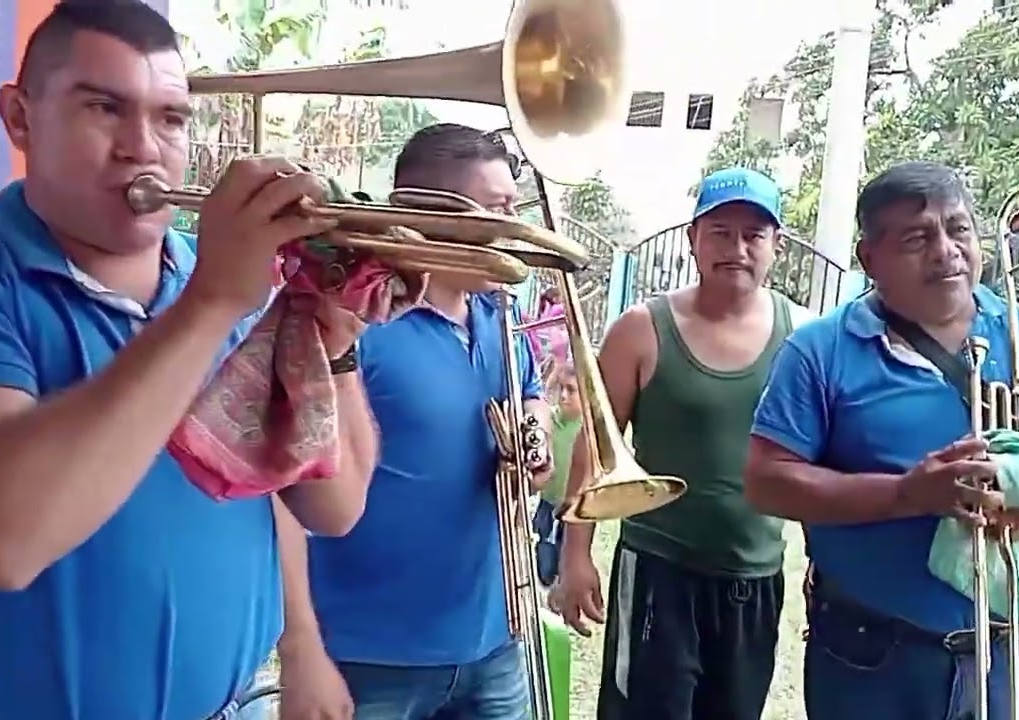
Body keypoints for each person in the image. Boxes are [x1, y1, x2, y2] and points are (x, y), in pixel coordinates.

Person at [0, 4, 378, 719]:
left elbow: (325, 505)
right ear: (20, 118)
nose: (142, 148)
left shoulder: (228, 288)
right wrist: (210, 303)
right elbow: (2, 536)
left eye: (171, 119)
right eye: (104, 108)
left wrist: (333, 342)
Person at [744, 161, 1019, 720]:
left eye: (958, 229)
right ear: (870, 259)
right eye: (917, 237)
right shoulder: (818, 350)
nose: (946, 251)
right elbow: (766, 482)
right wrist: (907, 494)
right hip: (870, 653)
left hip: (1004, 651)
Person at [276, 123, 552, 720]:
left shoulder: (499, 316)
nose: (515, 228)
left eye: (514, 207)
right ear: (430, 213)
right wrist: (302, 646)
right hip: (370, 656)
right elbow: (284, 495)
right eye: (496, 210)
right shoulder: (356, 323)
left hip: (496, 641)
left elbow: (530, 393)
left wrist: (535, 431)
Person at [549, 167, 813, 720]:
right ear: (692, 238)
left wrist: (824, 560)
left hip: (755, 581)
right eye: (719, 232)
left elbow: (814, 459)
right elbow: (593, 449)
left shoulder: (804, 336)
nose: (736, 248)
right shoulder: (641, 328)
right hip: (656, 572)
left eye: (753, 235)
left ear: (777, 247)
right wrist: (575, 558)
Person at [535, 361, 583, 587]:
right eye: (561, 388)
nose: (563, 395)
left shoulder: (589, 430)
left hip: (573, 508)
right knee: (543, 562)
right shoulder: (550, 420)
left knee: (566, 560)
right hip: (546, 502)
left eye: (571, 390)